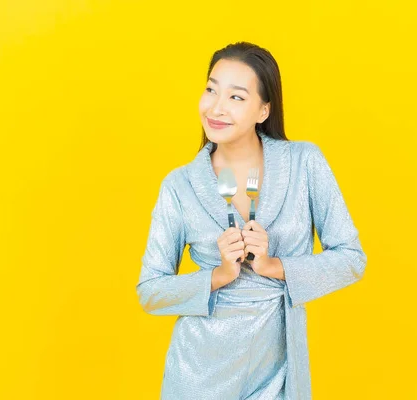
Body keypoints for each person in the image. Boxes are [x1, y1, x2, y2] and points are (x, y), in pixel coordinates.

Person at [136, 41, 367, 400]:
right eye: (211, 89)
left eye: (236, 97)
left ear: (263, 109)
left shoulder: (304, 163)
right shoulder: (179, 186)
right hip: (199, 373)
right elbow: (150, 291)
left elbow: (352, 259)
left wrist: (276, 266)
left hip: (278, 373)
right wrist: (219, 275)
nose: (216, 107)